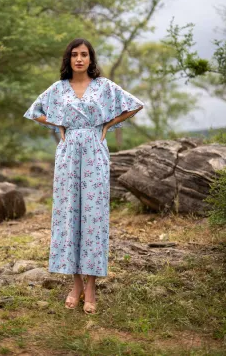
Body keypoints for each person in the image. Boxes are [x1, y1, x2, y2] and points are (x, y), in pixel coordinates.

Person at [23, 38, 144, 314]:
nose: (79, 59)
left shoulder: (104, 87)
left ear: (91, 59)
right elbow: (35, 111)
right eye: (75, 55)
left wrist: (106, 125)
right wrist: (59, 123)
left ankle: (91, 286)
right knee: (69, 215)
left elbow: (134, 105)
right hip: (67, 155)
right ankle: (75, 284)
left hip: (95, 152)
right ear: (69, 59)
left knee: (93, 216)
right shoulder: (58, 89)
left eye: (84, 55)